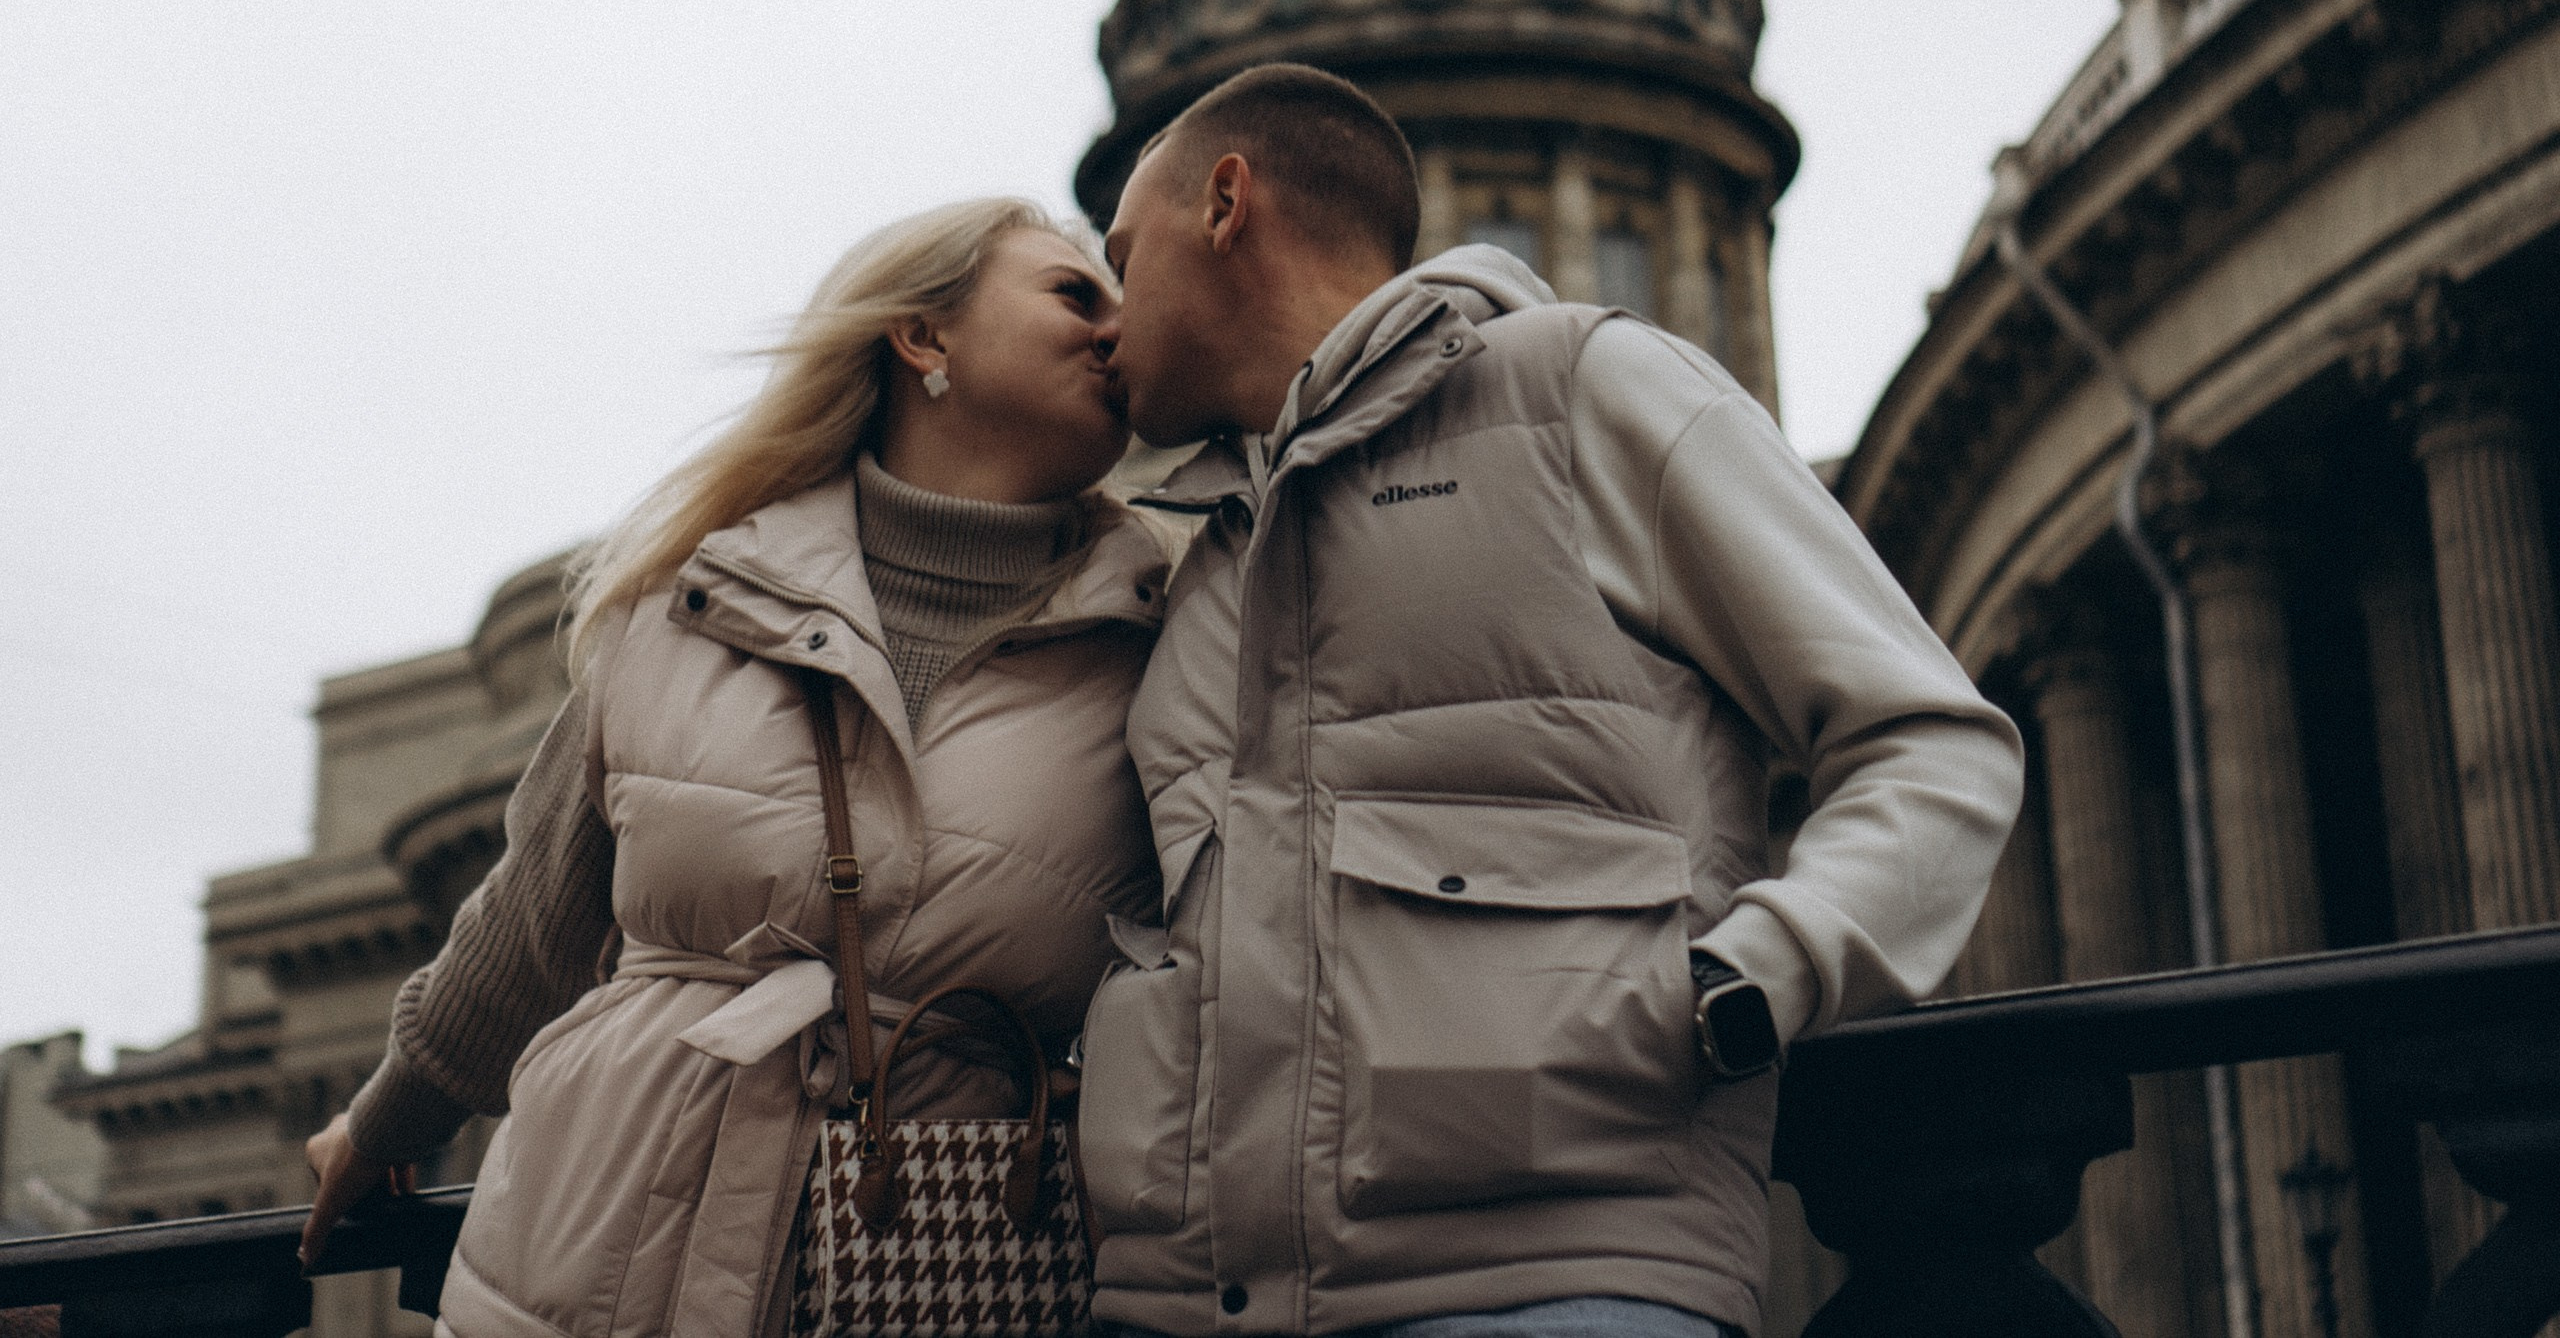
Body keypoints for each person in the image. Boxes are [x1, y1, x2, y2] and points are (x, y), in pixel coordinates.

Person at [1078, 64, 2026, 1338]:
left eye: (1121, 254)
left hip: (1552, 1285)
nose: (1105, 311)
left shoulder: (1582, 392)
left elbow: (1932, 744)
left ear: (1226, 204)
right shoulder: (1194, 570)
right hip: (1195, 1310)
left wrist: (1743, 985)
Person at [301, 197, 1181, 1335]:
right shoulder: (690, 603)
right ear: (924, 337)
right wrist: (384, 1126)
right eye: (1075, 292)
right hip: (594, 1262)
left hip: (933, 1273)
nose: (1121, 327)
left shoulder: (1166, 643)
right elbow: (530, 927)